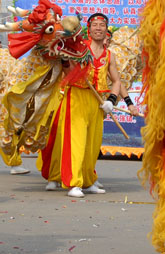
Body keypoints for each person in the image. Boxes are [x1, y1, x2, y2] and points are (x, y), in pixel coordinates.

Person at [38, 12, 122, 198]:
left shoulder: (110, 55)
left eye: (102, 24)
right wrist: (65, 58)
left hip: (97, 102)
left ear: (106, 29)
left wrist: (111, 100)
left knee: (92, 144)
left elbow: (116, 81)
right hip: (76, 96)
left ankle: (88, 180)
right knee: (75, 142)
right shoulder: (80, 47)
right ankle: (73, 183)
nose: (98, 28)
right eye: (95, 24)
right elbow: (67, 69)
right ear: (89, 29)